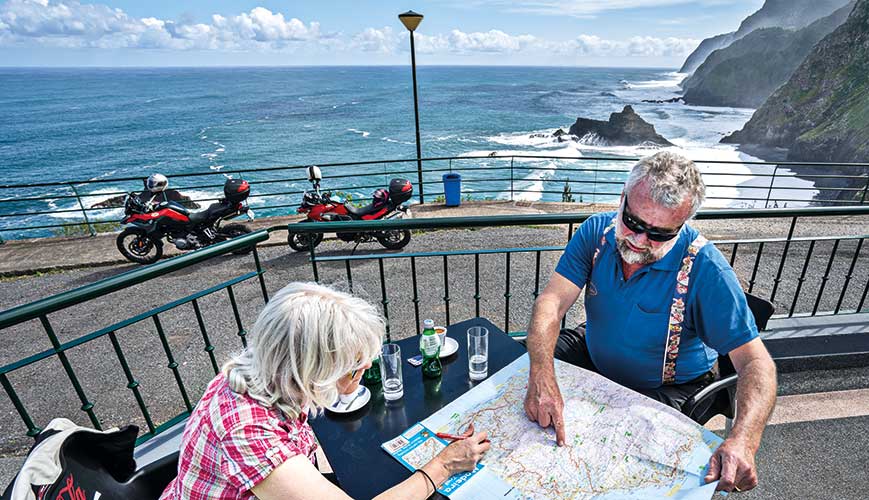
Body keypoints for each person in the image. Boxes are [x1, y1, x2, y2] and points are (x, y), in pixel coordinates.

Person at [522, 151, 776, 493]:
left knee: (606, 461)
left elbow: (757, 362)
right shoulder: (596, 232)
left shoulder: (707, 270)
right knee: (519, 365)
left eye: (659, 234)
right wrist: (541, 374)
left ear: (682, 225)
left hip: (666, 387)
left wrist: (744, 439)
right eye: (633, 222)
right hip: (593, 353)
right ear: (622, 199)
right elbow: (551, 302)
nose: (639, 241)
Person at [159, 282, 490, 500]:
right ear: (313, 369)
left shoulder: (268, 371)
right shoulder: (248, 430)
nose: (366, 367)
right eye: (355, 362)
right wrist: (444, 465)